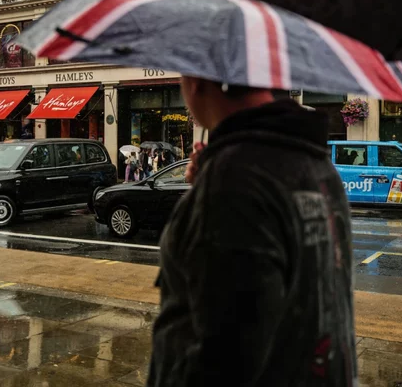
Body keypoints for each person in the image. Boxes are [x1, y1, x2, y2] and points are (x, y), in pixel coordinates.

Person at [148, 78, 356, 387]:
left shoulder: (234, 180)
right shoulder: (317, 164)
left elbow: (225, 358)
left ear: (195, 82)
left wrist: (216, 187)